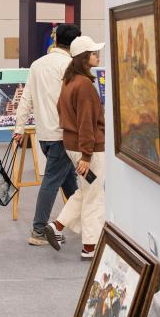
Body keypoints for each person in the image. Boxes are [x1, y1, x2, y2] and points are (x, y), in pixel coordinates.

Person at [14, 23, 82, 246]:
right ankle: (38, 230)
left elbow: (26, 98)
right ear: (75, 43)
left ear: (55, 39)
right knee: (52, 182)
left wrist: (19, 128)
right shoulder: (71, 66)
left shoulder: (37, 64)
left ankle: (84, 221)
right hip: (63, 134)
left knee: (69, 182)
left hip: (43, 135)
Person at [45, 36, 106, 260]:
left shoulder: (69, 81)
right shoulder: (85, 85)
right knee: (94, 197)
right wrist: (87, 155)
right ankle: (90, 247)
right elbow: (86, 123)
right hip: (89, 149)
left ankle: (57, 226)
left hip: (73, 146)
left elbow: (61, 111)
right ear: (84, 58)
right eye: (93, 53)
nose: (97, 56)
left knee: (87, 190)